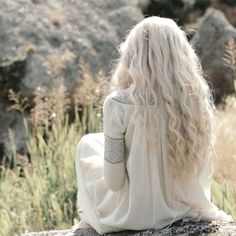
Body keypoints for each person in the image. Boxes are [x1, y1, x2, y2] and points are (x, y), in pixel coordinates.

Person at [75, 16, 232, 234]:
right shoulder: (196, 102)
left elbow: (113, 182)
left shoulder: (118, 103)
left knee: (87, 144)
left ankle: (86, 220)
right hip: (183, 210)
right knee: (95, 142)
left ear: (133, 56)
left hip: (133, 215)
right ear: (182, 56)